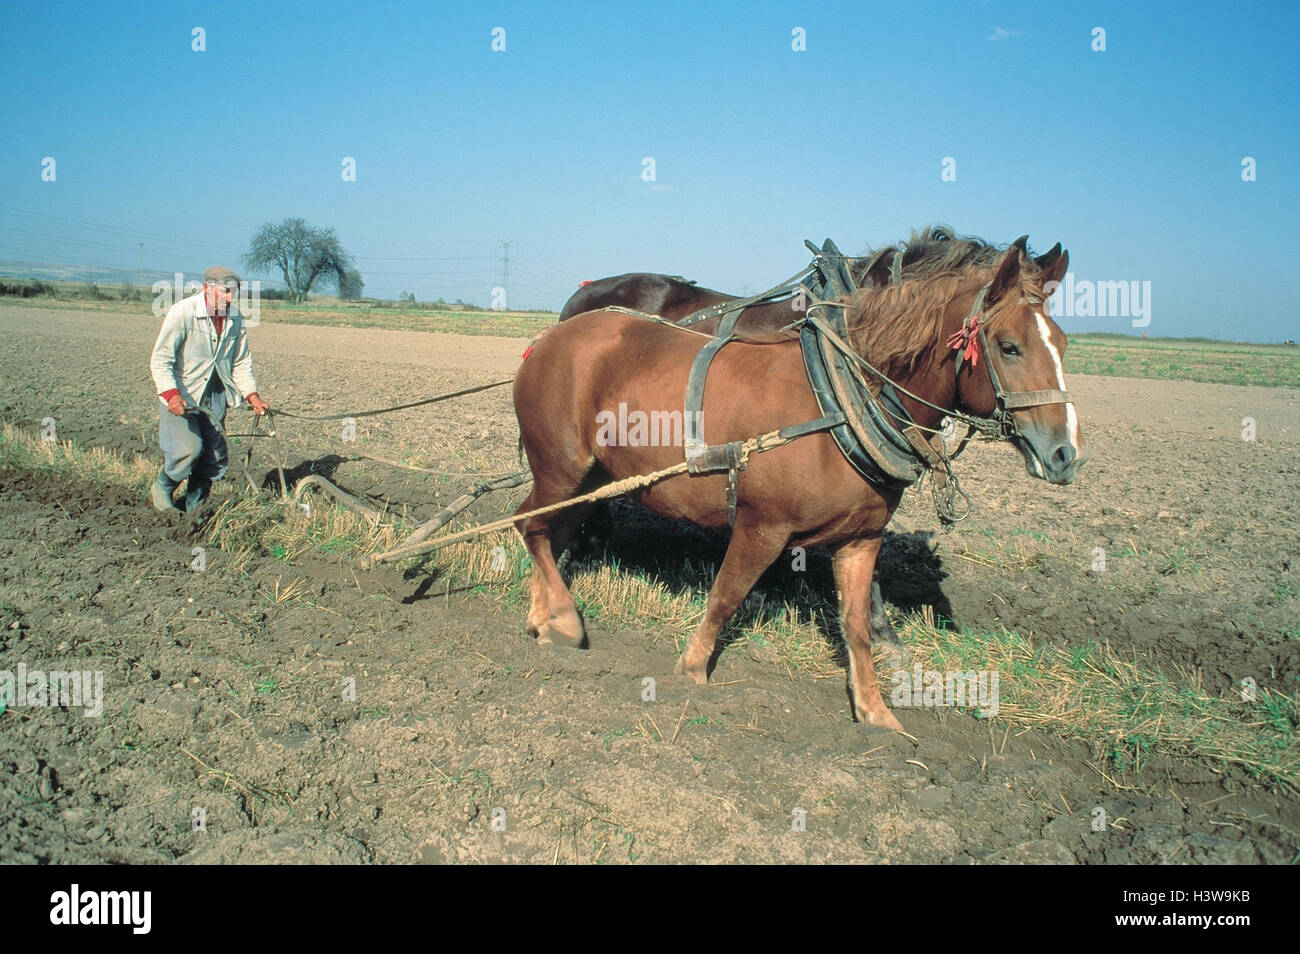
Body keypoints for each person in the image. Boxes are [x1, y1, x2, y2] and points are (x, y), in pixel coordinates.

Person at [148, 266, 268, 512]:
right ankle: (163, 488)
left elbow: (241, 360)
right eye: (224, 292)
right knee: (188, 450)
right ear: (206, 288)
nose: (229, 298)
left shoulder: (234, 317)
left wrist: (252, 395)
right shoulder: (183, 312)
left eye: (232, 293)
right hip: (182, 393)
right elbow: (161, 359)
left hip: (215, 394)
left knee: (214, 455)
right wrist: (171, 394)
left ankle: (195, 505)